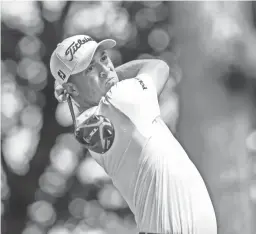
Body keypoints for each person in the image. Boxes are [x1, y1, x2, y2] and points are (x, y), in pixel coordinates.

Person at [50, 35, 217, 234]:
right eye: (90, 69)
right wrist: (115, 76)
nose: (105, 69)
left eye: (104, 59)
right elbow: (158, 66)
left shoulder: (92, 118)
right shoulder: (121, 99)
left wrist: (105, 77)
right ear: (70, 88)